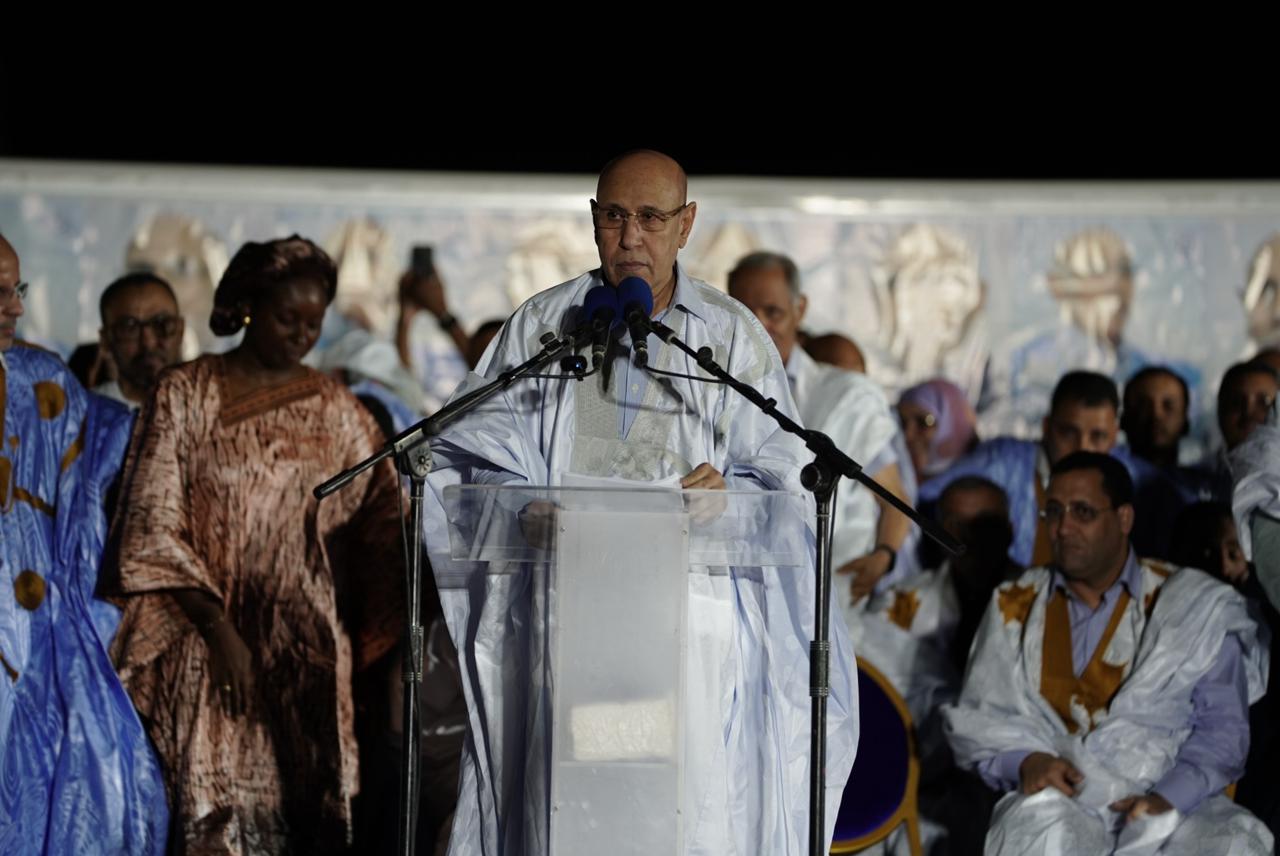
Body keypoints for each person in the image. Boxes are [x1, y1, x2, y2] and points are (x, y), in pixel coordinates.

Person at [421, 151, 858, 854]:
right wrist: (522, 507)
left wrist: (730, 495)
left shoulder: (730, 337)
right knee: (561, 820)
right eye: (614, 217)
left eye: (651, 218)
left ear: (686, 225)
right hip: (562, 622)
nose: (630, 238)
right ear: (593, 220)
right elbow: (462, 462)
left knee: (680, 823)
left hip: (691, 634)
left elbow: (789, 482)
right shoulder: (544, 327)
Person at [108, 235, 406, 854]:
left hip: (303, 654)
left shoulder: (338, 410)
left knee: (301, 820)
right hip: (207, 645)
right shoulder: (185, 393)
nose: (302, 335)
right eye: (287, 318)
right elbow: (151, 520)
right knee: (211, 817)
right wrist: (218, 631)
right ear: (248, 307)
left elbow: (381, 525)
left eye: (314, 323)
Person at [944, 452, 1272, 855]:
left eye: (1082, 512)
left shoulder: (1193, 605)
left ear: (1124, 519)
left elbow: (1223, 731)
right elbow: (981, 720)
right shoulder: (1014, 604)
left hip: (1176, 802)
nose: (1063, 527)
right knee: (1031, 833)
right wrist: (1027, 762)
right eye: (1053, 511)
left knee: (1236, 842)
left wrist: (1166, 799)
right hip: (1061, 803)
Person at [0, 233, 167, 853]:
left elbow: (88, 498)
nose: (16, 307)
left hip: (38, 643)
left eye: (18, 289)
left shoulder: (42, 383)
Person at [728, 250, 914, 601]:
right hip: (736, 588)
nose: (759, 326)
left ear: (800, 309)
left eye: (773, 312)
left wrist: (883, 556)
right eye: (746, 314)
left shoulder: (846, 396)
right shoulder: (710, 389)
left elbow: (893, 499)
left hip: (828, 593)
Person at [95, 272, 185, 409]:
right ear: (105, 340)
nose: (148, 343)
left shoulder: (211, 408)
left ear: (180, 330)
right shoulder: (84, 415)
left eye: (162, 324)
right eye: (130, 328)